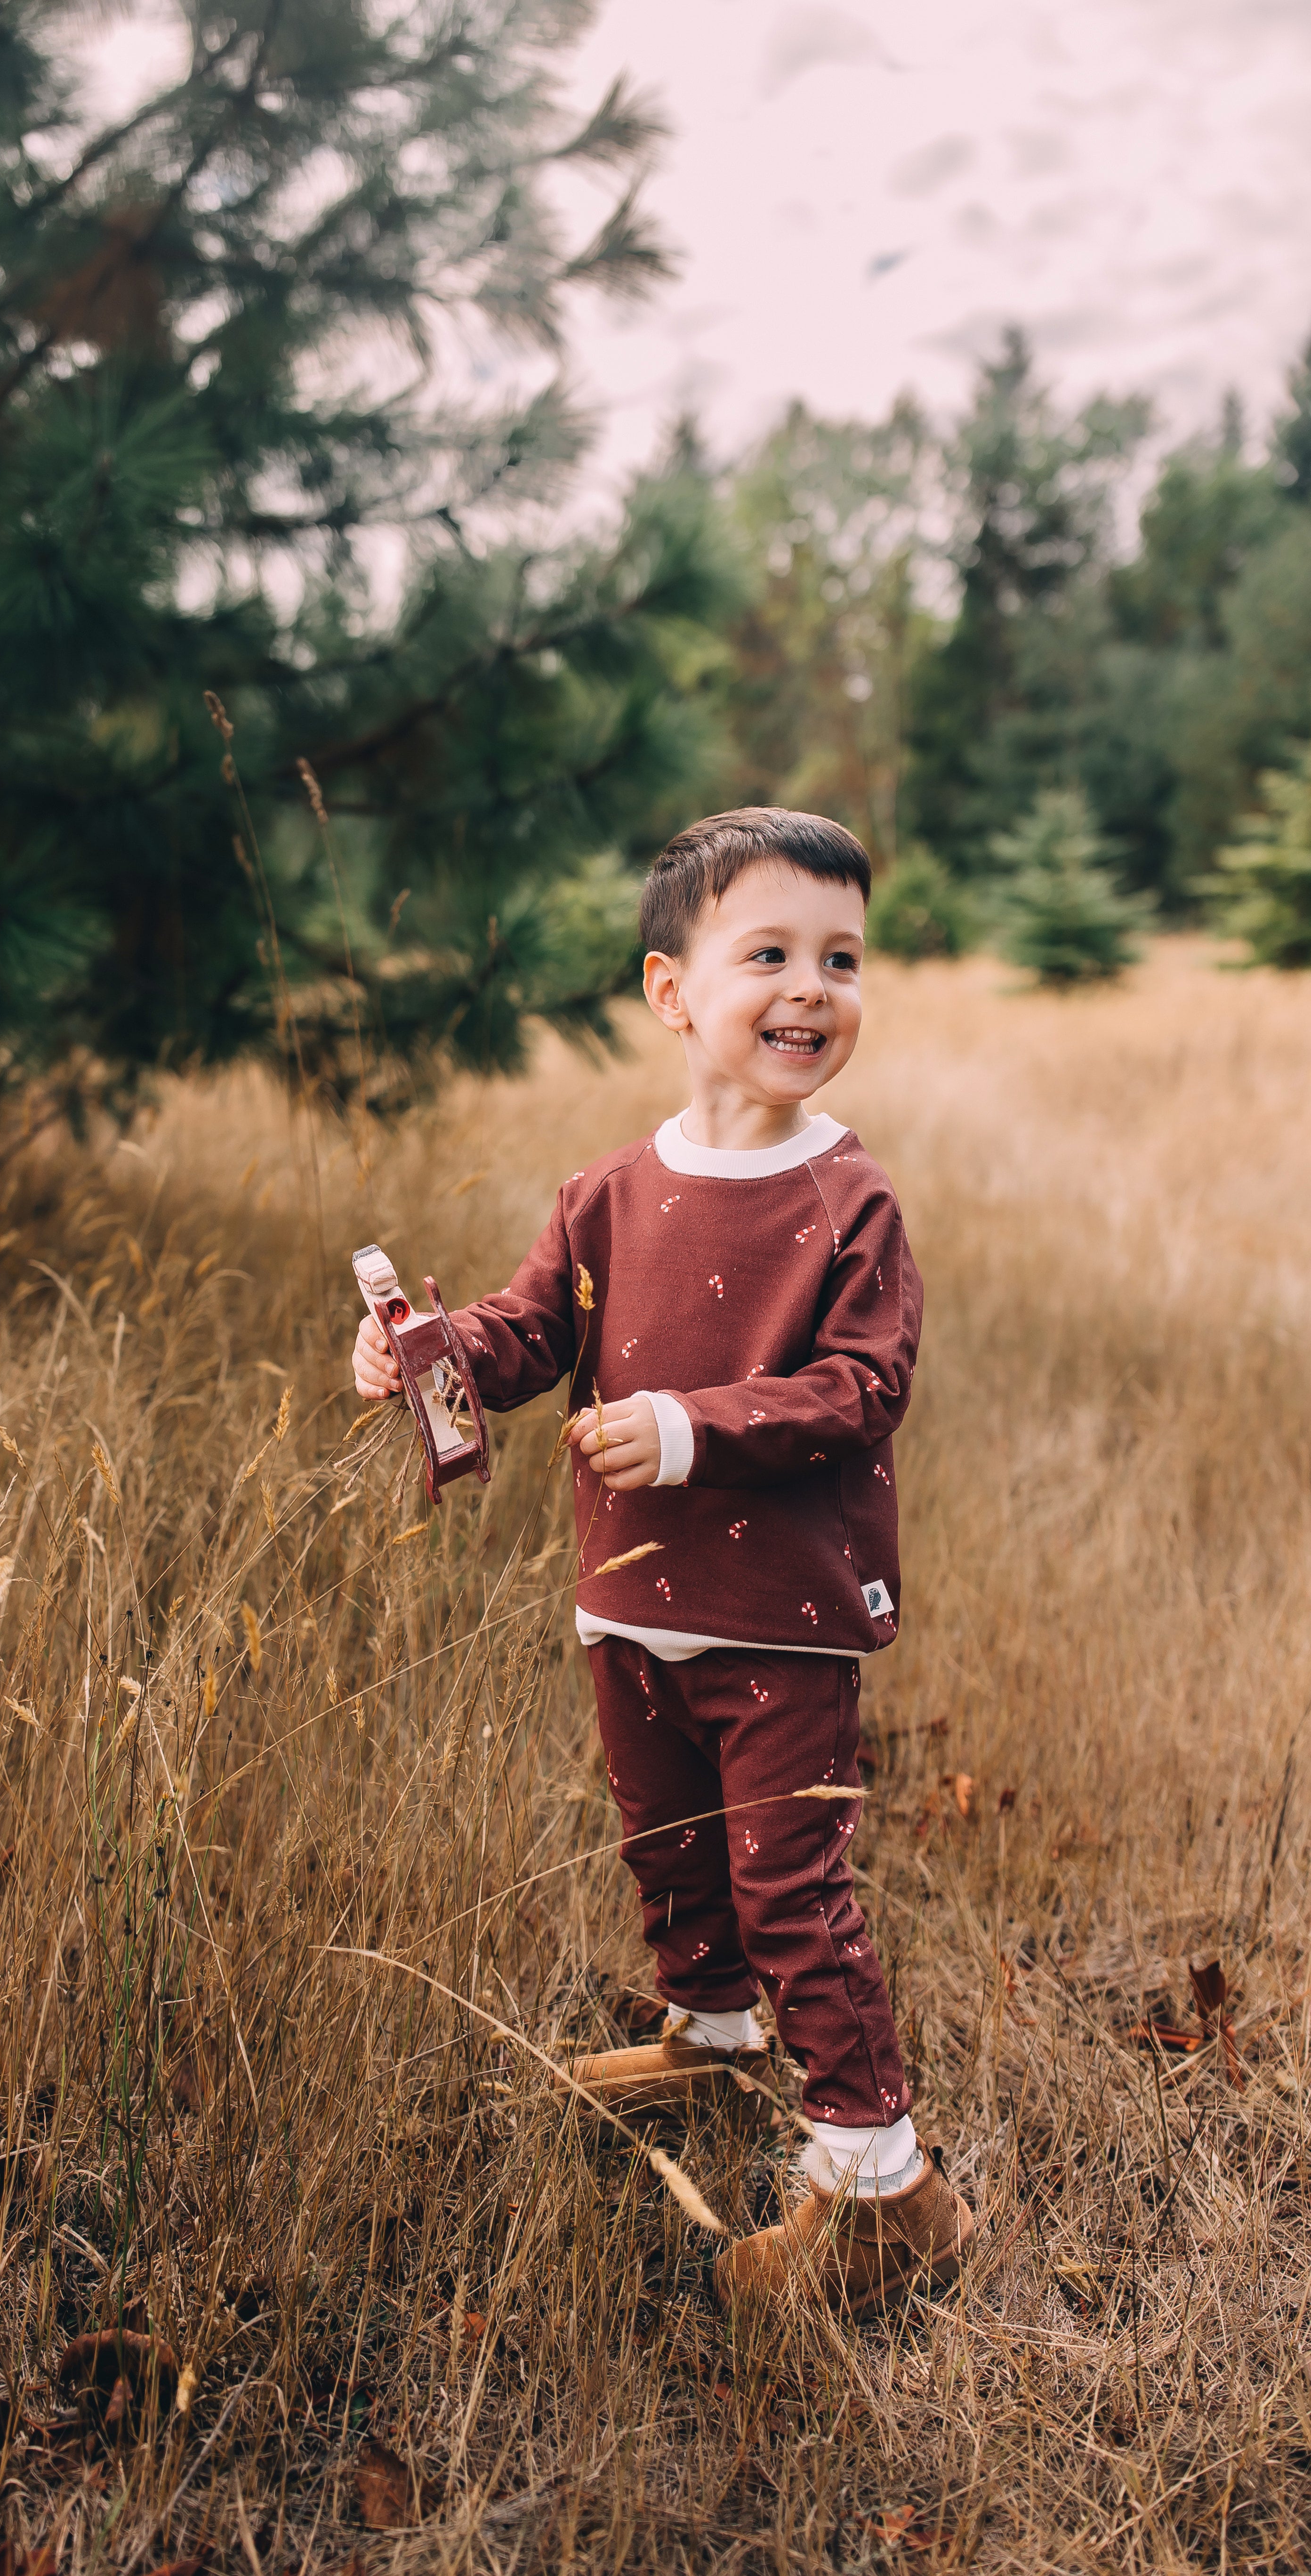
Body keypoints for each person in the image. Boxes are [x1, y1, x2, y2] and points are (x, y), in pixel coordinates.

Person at [351, 808, 975, 2315]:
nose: (811, 989)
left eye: (842, 957)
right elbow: (527, 1332)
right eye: (769, 953)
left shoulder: (850, 1201)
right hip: (631, 1600)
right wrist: (423, 1354)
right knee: (668, 1843)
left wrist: (688, 1429)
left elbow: (862, 1390)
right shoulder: (610, 1190)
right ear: (671, 990)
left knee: (791, 1888)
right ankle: (709, 2037)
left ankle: (881, 2184)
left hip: (787, 1615)